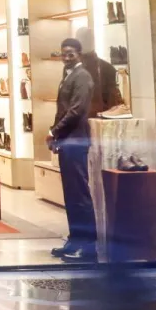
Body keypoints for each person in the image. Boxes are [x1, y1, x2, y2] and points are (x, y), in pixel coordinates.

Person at [48, 37, 96, 262]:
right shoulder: (68, 75)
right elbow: (64, 109)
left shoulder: (82, 76)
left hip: (76, 140)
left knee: (80, 194)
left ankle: (88, 246)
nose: (66, 58)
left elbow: (76, 110)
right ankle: (75, 240)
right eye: (64, 54)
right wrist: (56, 134)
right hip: (68, 140)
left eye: (71, 54)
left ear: (79, 54)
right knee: (71, 194)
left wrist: (54, 131)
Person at [75, 26, 124, 116]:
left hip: (99, 118)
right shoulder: (72, 67)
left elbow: (113, 102)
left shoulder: (107, 68)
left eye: (88, 38)